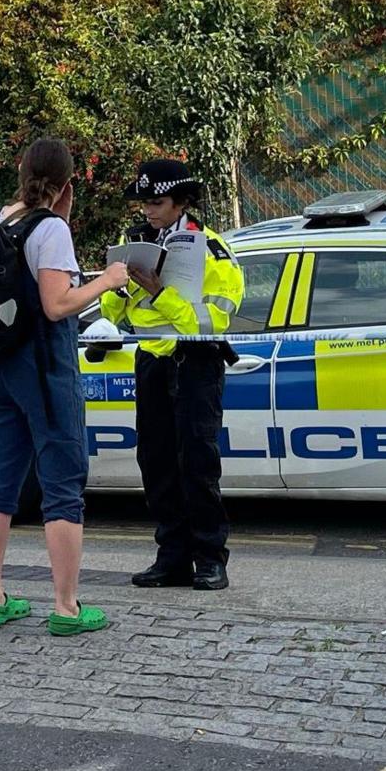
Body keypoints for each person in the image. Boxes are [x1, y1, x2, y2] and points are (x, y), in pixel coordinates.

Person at [0, 138, 129, 636]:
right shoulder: (52, 229)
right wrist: (107, 280)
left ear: (21, 172)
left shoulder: (3, 218)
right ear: (68, 182)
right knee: (62, 484)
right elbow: (57, 304)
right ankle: (66, 608)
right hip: (42, 369)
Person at [102, 159, 246, 590]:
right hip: (151, 361)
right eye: (142, 202)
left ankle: (209, 559)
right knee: (156, 462)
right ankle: (171, 557)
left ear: (182, 201)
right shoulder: (137, 243)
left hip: (195, 362)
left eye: (157, 202)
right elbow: (117, 315)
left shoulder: (211, 249)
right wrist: (118, 285)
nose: (148, 210)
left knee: (197, 463)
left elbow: (211, 325)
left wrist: (160, 293)